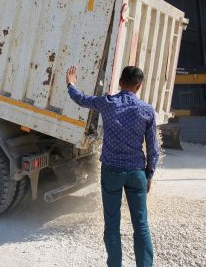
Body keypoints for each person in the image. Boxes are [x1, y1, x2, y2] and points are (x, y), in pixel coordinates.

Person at [66, 65, 158, 267]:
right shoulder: (147, 110)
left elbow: (81, 99)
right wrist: (149, 174)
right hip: (136, 172)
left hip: (112, 171)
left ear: (120, 83)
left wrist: (71, 83)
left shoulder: (107, 103)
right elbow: (153, 149)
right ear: (139, 86)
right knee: (141, 225)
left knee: (112, 224)